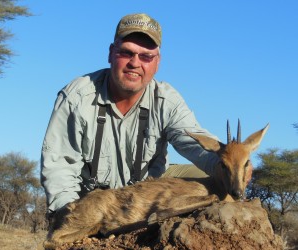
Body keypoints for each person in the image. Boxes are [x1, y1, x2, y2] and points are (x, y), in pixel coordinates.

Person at [41, 13, 221, 218]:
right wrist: (70, 215)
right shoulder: (77, 96)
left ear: (157, 62)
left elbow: (193, 141)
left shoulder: (167, 100)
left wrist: (226, 162)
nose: (135, 63)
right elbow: (59, 166)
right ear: (111, 53)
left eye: (146, 56)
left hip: (149, 194)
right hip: (93, 202)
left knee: (218, 180)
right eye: (127, 53)